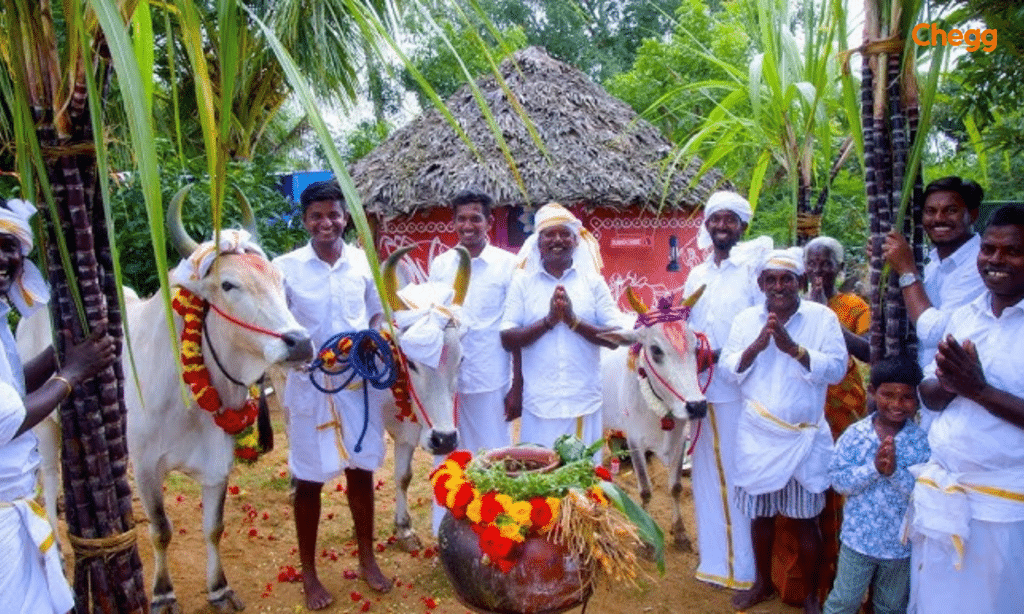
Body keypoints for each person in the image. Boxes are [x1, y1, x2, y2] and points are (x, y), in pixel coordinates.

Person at [273, 181, 392, 610]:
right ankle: (308, 573)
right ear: (304, 221)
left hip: (357, 389)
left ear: (345, 217)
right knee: (308, 480)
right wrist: (300, 358)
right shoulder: (284, 267)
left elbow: (377, 311)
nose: (326, 223)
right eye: (317, 216)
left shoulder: (361, 262)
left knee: (360, 473)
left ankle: (367, 558)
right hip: (308, 387)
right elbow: (276, 330)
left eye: (334, 215)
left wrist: (374, 337)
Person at [905, 204, 1024, 614]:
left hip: (1004, 509)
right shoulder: (965, 316)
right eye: (988, 249)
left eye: (1011, 252)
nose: (995, 260)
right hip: (944, 495)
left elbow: (975, 392)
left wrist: (978, 390)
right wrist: (949, 385)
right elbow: (930, 393)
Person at [0, 197, 116, 614]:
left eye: (10, 246)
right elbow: (6, 419)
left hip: (16, 505)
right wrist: (73, 374)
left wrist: (58, 355)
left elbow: (9, 389)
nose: (4, 258)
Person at [721, 248, 847, 614]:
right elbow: (729, 370)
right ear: (761, 284)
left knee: (806, 521)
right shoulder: (746, 320)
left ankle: (810, 596)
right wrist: (757, 346)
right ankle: (762, 583)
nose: (779, 286)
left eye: (787, 279)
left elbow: (838, 369)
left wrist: (794, 349)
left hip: (802, 438)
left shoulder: (822, 319)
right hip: (757, 436)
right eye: (771, 279)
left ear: (802, 283)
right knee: (761, 517)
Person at [771, 236, 872, 606]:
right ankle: (795, 584)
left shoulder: (853, 306)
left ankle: (841, 586)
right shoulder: (787, 308)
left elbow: (870, 350)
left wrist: (827, 317)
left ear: (839, 268)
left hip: (842, 410)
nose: (818, 271)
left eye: (826, 263)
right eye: (811, 264)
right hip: (802, 412)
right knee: (801, 496)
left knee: (840, 491)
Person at [683, 191, 772, 590]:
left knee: (739, 475)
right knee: (704, 474)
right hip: (700, 388)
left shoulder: (753, 271)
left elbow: (761, 327)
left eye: (730, 220)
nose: (721, 226)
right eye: (715, 219)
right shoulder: (697, 274)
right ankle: (716, 561)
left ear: (743, 227)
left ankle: (746, 569)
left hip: (739, 387)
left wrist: (716, 355)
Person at [426, 189, 516, 534]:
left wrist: (516, 386)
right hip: (447, 381)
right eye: (461, 218)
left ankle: (492, 529)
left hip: (490, 376)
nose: (468, 225)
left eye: (475, 218)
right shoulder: (441, 265)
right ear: (454, 223)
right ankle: (447, 531)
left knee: (491, 453)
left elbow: (513, 325)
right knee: (448, 455)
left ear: (489, 222)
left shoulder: (506, 266)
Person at [500, 202, 624, 451]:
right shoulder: (523, 283)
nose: (558, 240)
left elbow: (617, 338)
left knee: (583, 483)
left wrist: (573, 321)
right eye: (549, 234)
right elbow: (508, 339)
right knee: (542, 482)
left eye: (565, 234)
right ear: (538, 242)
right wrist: (548, 322)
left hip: (583, 403)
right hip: (539, 405)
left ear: (576, 241)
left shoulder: (593, 282)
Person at [823, 355, 929, 614]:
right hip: (857, 541)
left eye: (906, 397)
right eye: (888, 395)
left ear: (917, 399)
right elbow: (839, 481)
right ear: (872, 392)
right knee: (844, 601)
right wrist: (873, 469)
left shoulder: (920, 442)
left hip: (899, 547)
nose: (896, 404)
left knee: (891, 606)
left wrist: (893, 473)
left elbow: (924, 492)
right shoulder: (855, 435)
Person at [882, 176, 986, 430]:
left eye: (950, 210)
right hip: (925, 397)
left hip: (960, 399)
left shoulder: (980, 263)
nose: (938, 219)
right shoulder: (932, 261)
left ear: (971, 215)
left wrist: (905, 268)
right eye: (930, 211)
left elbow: (933, 332)